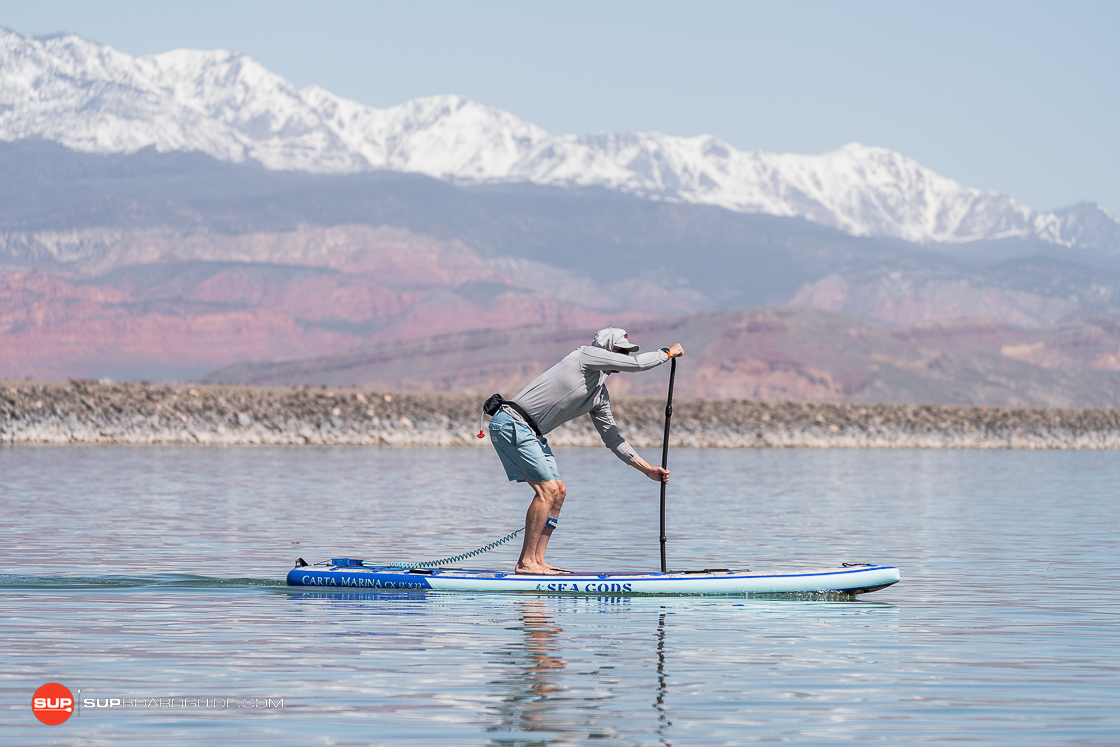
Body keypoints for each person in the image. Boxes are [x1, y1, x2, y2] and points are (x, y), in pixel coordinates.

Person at [486, 327, 685, 575]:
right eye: (620, 351)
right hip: (512, 422)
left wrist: (646, 470)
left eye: (626, 352)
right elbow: (637, 364)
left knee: (559, 492)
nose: (623, 357)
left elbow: (613, 439)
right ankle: (525, 563)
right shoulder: (585, 356)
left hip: (533, 433)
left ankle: (538, 560)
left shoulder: (599, 395)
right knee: (547, 490)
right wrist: (667, 353)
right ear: (606, 350)